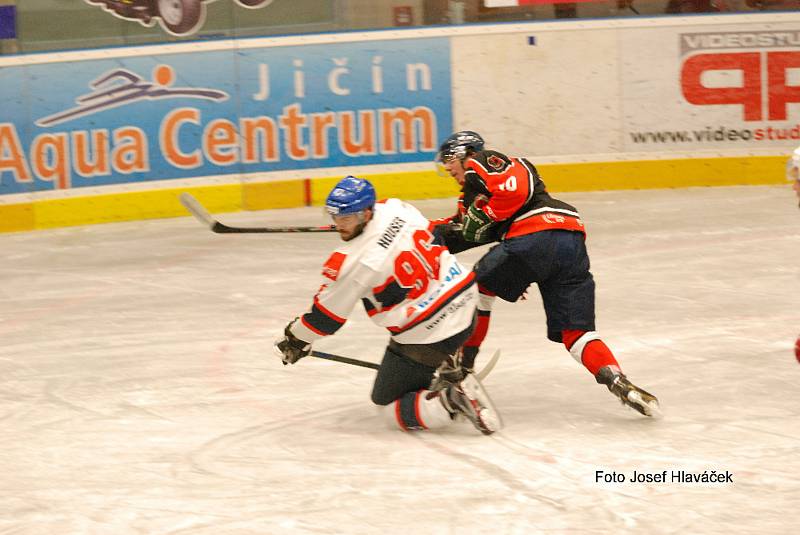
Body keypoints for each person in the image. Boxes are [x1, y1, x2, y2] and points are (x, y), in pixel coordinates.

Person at [433, 131, 661, 417]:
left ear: (466, 153)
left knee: (477, 290)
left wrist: (491, 216)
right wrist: (414, 234)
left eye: (449, 160)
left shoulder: (486, 162)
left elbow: (516, 190)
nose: (447, 167)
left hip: (533, 237)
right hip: (569, 240)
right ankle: (619, 381)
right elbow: (460, 234)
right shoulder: (473, 197)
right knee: (576, 334)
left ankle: (463, 369)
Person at [274, 176, 502, 434]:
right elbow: (425, 231)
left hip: (430, 334)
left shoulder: (352, 263)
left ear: (367, 212)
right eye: (336, 217)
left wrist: (295, 337)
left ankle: (450, 401)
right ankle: (449, 368)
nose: (339, 224)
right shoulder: (397, 208)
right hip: (466, 301)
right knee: (423, 310)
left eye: (346, 218)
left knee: (387, 404)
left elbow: (325, 319)